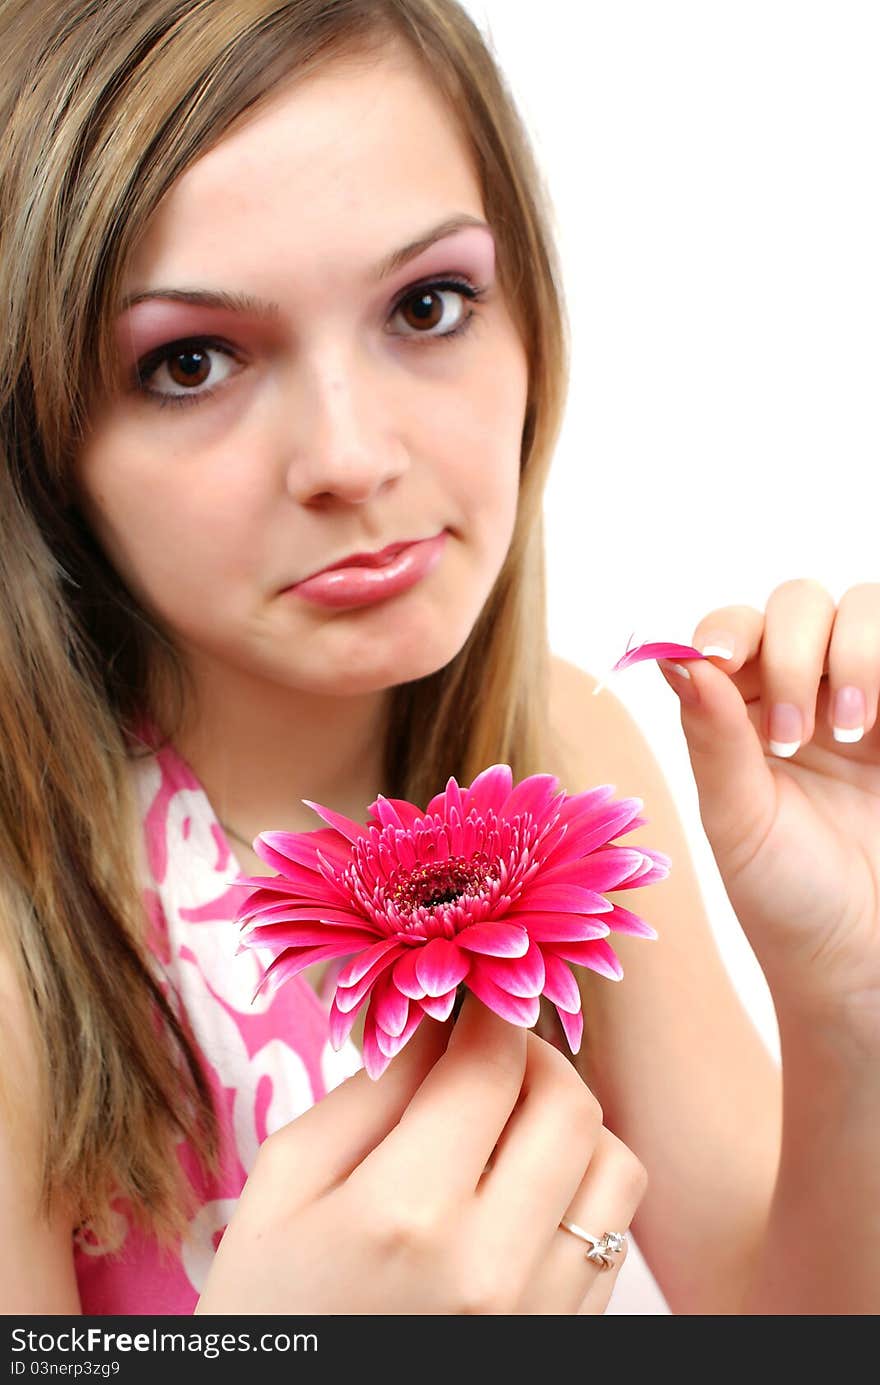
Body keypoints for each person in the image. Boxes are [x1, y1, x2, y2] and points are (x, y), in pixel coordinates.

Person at [0, 0, 876, 1317]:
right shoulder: (25, 919)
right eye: (190, 361)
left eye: (427, 303)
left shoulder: (569, 755)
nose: (351, 458)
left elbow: (791, 1320)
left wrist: (846, 994)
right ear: (41, 430)